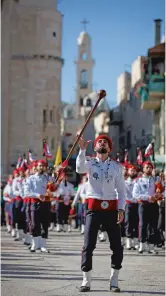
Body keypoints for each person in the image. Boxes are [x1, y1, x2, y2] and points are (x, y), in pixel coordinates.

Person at [76, 134, 126, 292]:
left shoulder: (117, 167)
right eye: (99, 141)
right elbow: (79, 168)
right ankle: (86, 280)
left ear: (109, 148)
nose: (102, 143)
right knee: (88, 246)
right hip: (94, 208)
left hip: (111, 209)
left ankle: (114, 280)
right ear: (95, 147)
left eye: (105, 142)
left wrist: (121, 208)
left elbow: (122, 191)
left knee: (117, 247)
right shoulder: (89, 162)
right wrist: (82, 150)